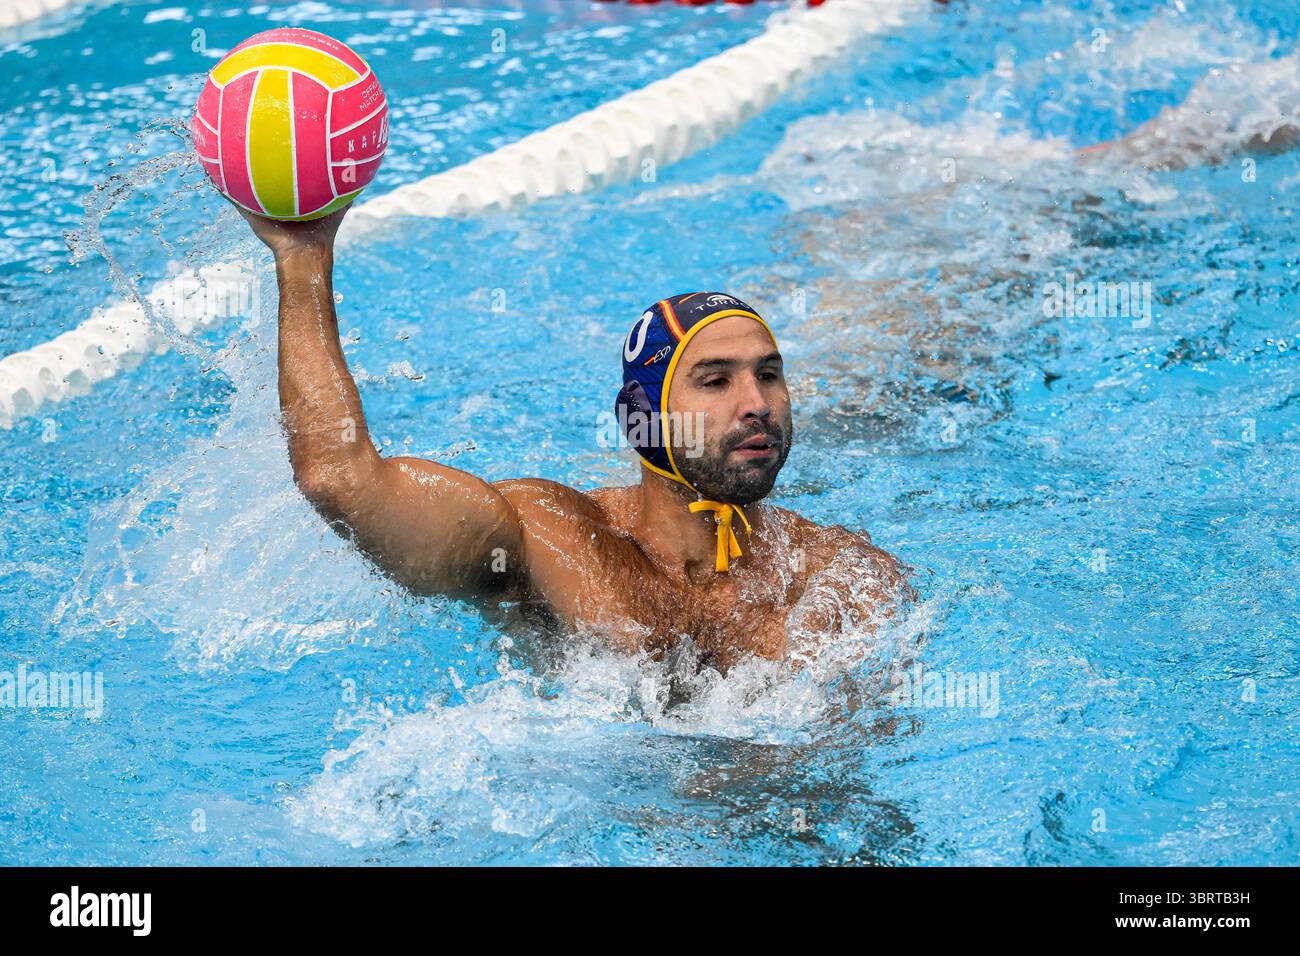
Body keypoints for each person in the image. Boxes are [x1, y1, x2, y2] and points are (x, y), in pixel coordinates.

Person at [235, 205, 909, 672]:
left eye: (768, 375)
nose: (757, 404)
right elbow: (340, 478)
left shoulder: (838, 574)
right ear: (640, 418)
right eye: (715, 381)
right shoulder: (549, 540)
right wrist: (303, 258)